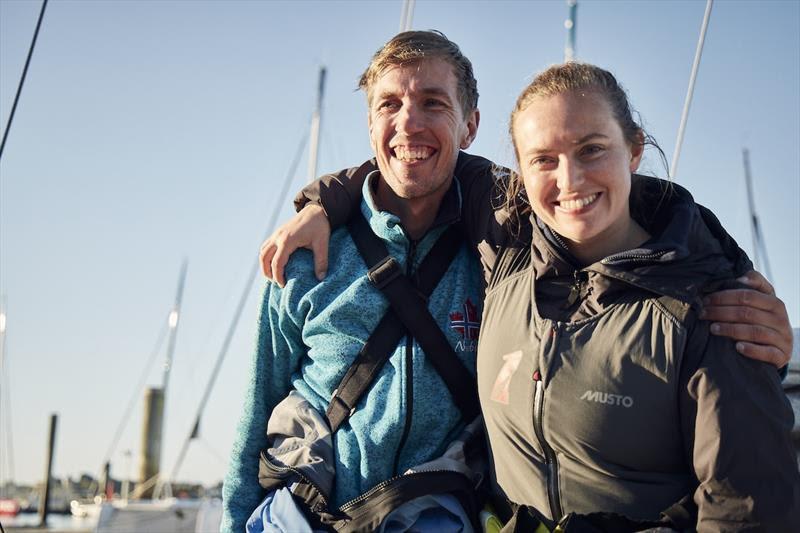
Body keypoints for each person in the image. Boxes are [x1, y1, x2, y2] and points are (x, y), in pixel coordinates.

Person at [262, 59, 799, 528]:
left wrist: (725, 266)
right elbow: (417, 157)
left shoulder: (711, 307)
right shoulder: (508, 250)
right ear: (519, 172)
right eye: (543, 159)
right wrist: (321, 201)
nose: (569, 179)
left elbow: (746, 507)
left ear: (634, 150)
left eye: (593, 149)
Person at [222, 31, 486, 532]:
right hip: (304, 512)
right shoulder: (304, 257)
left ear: (470, 125)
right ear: (371, 127)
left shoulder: (496, 261)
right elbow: (255, 410)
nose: (408, 122)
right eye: (390, 104)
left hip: (435, 512)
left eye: (433, 102)